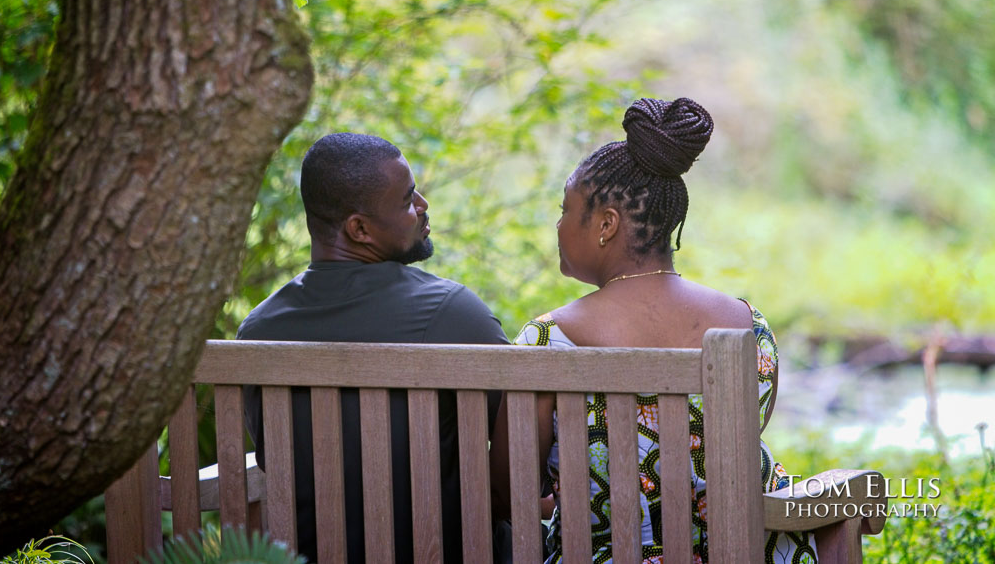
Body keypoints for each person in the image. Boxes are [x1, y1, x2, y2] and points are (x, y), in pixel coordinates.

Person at [489, 97, 818, 564]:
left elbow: (507, 496)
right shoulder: (751, 328)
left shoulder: (548, 340)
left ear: (606, 225)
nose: (558, 226)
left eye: (565, 210)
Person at [239, 133, 509, 563]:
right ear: (359, 229)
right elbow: (522, 445)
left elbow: (275, 465)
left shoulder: (257, 332)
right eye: (406, 201)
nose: (422, 205)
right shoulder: (452, 314)